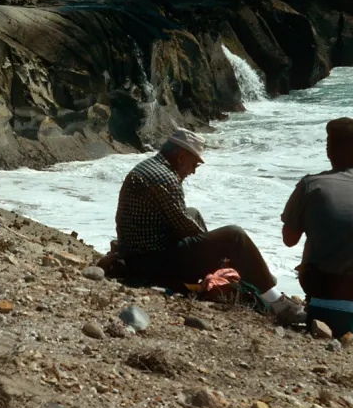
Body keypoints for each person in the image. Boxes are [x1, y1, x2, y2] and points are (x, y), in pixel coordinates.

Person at [110, 129, 305, 325]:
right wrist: (219, 252)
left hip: (135, 254)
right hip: (150, 264)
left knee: (192, 212)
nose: (193, 171)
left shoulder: (149, 167)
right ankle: (276, 302)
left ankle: (228, 272)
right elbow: (186, 229)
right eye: (194, 164)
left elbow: (183, 223)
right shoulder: (166, 179)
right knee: (233, 236)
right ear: (181, 157)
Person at [282, 117, 353, 338]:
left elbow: (289, 240)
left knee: (315, 234)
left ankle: (320, 304)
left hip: (317, 285)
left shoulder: (309, 185)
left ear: (328, 151)